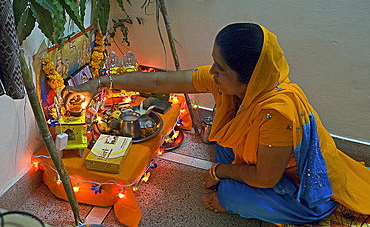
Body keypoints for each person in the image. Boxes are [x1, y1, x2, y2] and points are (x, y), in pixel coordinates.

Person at [62, 23, 370, 225]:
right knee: (224, 139)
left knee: (231, 196)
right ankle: (233, 177)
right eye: (215, 63)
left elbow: (265, 178)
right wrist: (101, 82)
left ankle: (262, 200)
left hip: (304, 185)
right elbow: (160, 80)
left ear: (251, 78)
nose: (213, 74)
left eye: (220, 69)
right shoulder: (230, 85)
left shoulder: (276, 113)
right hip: (265, 159)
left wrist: (218, 171)